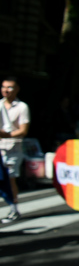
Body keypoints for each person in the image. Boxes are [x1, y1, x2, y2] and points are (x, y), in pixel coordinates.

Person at [0, 76, 30, 223]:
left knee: (10, 178)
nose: (6, 90)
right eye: (4, 86)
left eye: (10, 87)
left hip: (14, 149)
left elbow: (23, 130)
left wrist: (5, 135)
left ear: (17, 89)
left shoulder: (22, 107)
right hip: (0, 149)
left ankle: (14, 208)